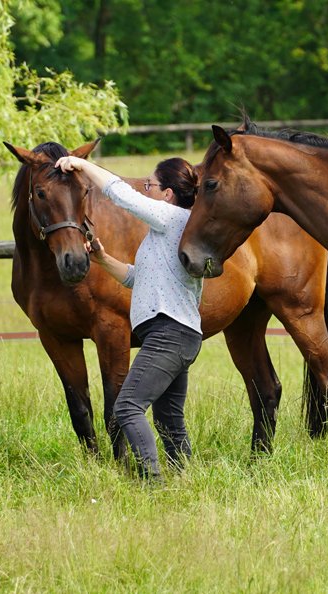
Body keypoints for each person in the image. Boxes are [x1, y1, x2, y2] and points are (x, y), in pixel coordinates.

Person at [54, 154, 203, 480]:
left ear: (167, 194)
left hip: (168, 334)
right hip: (181, 336)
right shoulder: (171, 229)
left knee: (127, 407)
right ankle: (184, 479)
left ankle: (152, 481)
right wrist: (103, 259)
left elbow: (121, 194)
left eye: (150, 184)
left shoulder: (171, 217)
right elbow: (138, 278)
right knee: (169, 418)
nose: (145, 189)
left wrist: (82, 166)